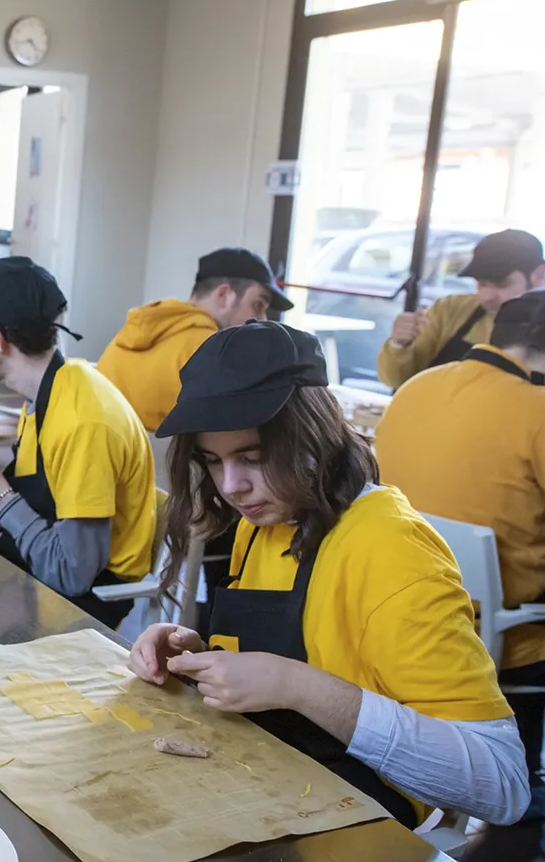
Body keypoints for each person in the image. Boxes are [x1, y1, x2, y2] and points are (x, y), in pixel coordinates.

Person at [131, 320, 527, 827]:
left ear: (312, 433)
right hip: (267, 781)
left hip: (358, 818)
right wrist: (201, 656)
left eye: (252, 457)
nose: (232, 486)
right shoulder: (267, 519)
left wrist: (297, 686)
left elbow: (503, 784)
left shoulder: (392, 551)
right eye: (214, 462)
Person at [375, 290, 545, 816]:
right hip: (502, 633)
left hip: (401, 604)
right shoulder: (535, 408)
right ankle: (526, 782)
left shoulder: (416, 386)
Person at [0, 258, 156, 627]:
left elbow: (70, 573)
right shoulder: (51, 391)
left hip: (81, 604)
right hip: (44, 573)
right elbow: (42, 505)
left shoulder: (84, 421)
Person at [98, 247, 291, 432]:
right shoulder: (214, 353)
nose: (263, 319)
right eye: (258, 304)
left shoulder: (136, 329)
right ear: (224, 295)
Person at [378, 229, 545, 389]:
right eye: (481, 283)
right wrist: (398, 344)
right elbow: (396, 380)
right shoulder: (450, 310)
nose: (487, 296)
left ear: (539, 275)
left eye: (501, 285)